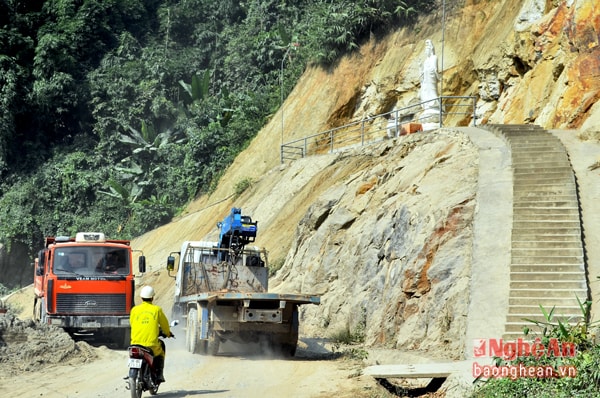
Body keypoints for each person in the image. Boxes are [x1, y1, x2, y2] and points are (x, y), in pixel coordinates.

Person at [129, 286, 173, 383]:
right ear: (152, 297)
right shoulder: (157, 310)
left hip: (134, 344)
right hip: (151, 345)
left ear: (141, 298)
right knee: (161, 351)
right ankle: (159, 375)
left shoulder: (134, 310)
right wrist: (168, 333)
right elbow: (165, 325)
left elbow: (132, 323)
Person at [419, 39, 440, 110]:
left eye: (427, 50)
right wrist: (420, 67)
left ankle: (435, 104)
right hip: (426, 79)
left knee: (433, 92)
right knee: (424, 92)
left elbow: (434, 69)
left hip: (431, 78)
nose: (426, 52)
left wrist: (429, 71)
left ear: (430, 50)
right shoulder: (426, 61)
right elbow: (423, 72)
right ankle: (427, 105)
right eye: (425, 51)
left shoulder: (434, 58)